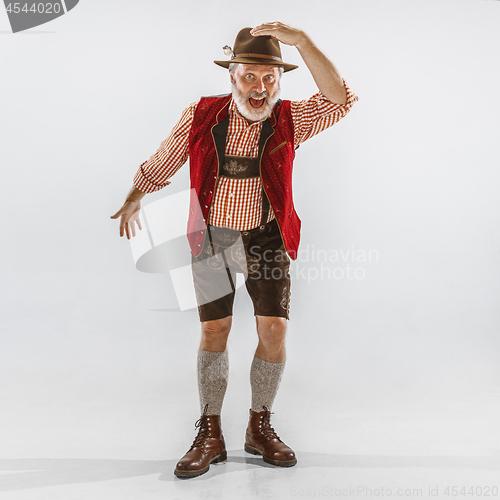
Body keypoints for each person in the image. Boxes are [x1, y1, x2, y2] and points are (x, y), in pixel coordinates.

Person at [110, 21, 358, 478]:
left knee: (275, 329)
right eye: (249, 76)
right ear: (232, 76)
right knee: (214, 331)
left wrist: (302, 42)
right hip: (213, 238)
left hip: (267, 236)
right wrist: (135, 194)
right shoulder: (201, 114)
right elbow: (167, 157)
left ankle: (259, 426)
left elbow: (340, 100)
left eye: (269, 78)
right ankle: (210, 431)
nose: (259, 88)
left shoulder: (289, 118)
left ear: (280, 80)